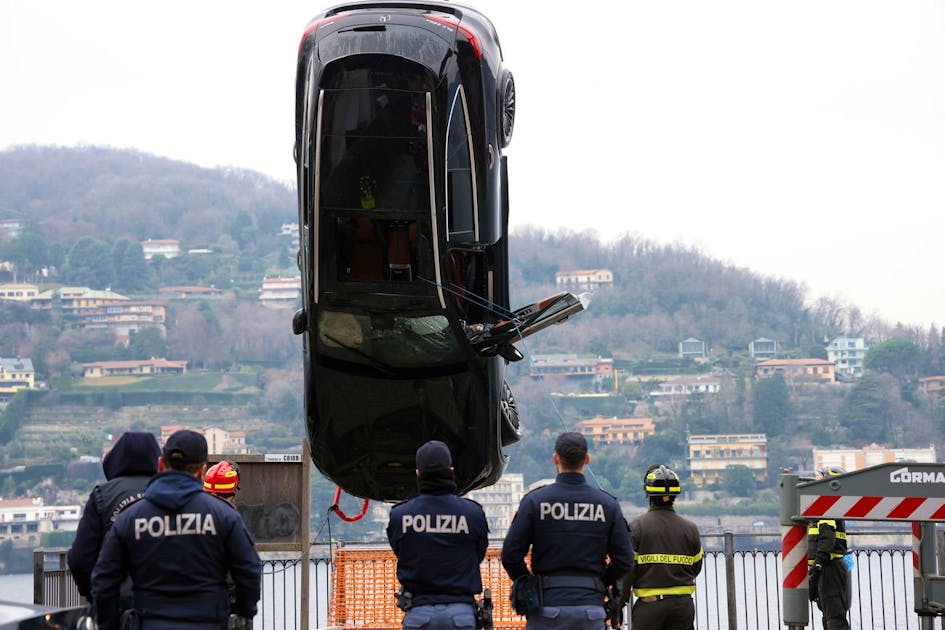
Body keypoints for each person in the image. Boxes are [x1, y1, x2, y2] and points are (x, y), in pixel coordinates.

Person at [91, 429, 261, 630]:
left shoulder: (129, 518)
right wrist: (243, 613)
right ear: (201, 471)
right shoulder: (224, 517)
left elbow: (104, 579)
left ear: (161, 465)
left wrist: (110, 624)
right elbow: (248, 570)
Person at [501, 432, 634, 629]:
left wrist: (530, 583)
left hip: (547, 608)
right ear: (586, 459)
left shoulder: (535, 502)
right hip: (590, 608)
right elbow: (625, 560)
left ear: (556, 458)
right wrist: (599, 582)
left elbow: (511, 555)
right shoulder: (607, 505)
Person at [386, 440, 490, 630]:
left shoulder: (400, 515)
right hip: (462, 614)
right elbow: (478, 554)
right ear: (451, 470)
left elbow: (401, 551)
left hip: (419, 614)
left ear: (418, 473)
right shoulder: (473, 514)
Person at [68, 431, 161, 603]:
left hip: (118, 602)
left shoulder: (102, 496)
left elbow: (80, 558)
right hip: (168, 601)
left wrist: (95, 595)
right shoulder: (171, 491)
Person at [627, 464, 704, 630]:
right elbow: (696, 567)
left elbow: (628, 570)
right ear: (675, 495)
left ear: (648, 495)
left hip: (649, 608)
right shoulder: (690, 529)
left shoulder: (637, 527)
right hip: (683, 607)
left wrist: (619, 605)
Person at [808, 466, 851, 630]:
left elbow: (827, 540)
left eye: (820, 477)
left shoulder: (827, 504)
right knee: (828, 614)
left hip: (829, 567)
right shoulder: (827, 503)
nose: (816, 480)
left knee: (834, 615)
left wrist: (817, 565)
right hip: (828, 566)